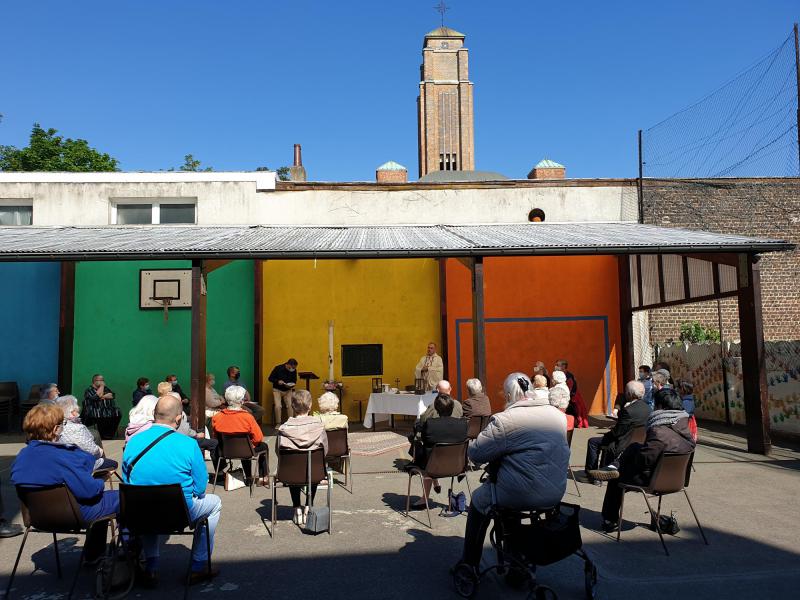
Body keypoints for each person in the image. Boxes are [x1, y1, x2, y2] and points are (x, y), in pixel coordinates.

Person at [456, 373, 569, 571]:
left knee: (479, 500)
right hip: (555, 490)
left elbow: (476, 453)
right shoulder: (557, 416)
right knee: (509, 493)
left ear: (508, 395)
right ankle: (515, 558)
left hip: (521, 492)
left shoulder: (505, 420)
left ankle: (469, 562)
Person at [122, 395, 221, 586]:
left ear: (154, 414)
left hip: (140, 512)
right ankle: (199, 565)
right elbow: (200, 488)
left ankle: (151, 567)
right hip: (179, 514)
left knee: (146, 502)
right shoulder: (188, 444)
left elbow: (128, 481)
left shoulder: (133, 442)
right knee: (215, 503)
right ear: (178, 418)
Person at [12, 404, 119, 562]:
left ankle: (95, 554)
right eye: (62, 424)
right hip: (74, 515)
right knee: (125, 497)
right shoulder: (65, 456)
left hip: (37, 518)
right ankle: (130, 555)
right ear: (55, 429)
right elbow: (89, 491)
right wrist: (101, 480)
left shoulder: (21, 456)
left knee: (99, 501)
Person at [589, 388, 695, 532]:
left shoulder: (659, 431)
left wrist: (628, 462)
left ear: (661, 407)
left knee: (616, 480)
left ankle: (610, 520)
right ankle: (614, 466)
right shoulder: (686, 429)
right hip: (677, 480)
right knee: (635, 446)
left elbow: (643, 461)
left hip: (653, 479)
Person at [583, 380, 650, 485]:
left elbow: (617, 432)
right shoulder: (648, 408)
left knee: (593, 442)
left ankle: (591, 475)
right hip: (638, 440)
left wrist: (607, 434)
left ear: (630, 394)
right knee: (603, 441)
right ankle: (602, 470)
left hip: (622, 441)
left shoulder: (628, 410)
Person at [277, 390, 328, 525]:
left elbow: (279, 453)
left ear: (292, 406)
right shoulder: (319, 426)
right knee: (313, 466)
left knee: (292, 467)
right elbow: (325, 451)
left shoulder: (284, 428)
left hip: (289, 473)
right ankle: (308, 507)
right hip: (315, 473)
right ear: (310, 405)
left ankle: (296, 508)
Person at [409, 393, 468, 509]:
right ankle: (435, 483)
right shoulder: (463, 424)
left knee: (426, 454)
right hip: (458, 467)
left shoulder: (430, 425)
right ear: (452, 408)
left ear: (436, 408)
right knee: (433, 454)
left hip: (433, 468)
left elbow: (424, 441)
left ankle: (424, 498)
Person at [211, 386, 268, 486]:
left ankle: (220, 473)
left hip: (225, 451)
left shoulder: (217, 417)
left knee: (240, 446)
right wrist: (251, 445)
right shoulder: (247, 417)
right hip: (246, 450)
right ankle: (263, 477)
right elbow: (258, 438)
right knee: (263, 446)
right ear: (241, 401)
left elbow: (215, 437)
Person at [55, 395, 117, 471]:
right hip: (80, 464)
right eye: (77, 408)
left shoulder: (55, 426)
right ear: (73, 412)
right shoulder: (77, 428)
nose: (79, 409)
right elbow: (92, 451)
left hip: (63, 463)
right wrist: (99, 450)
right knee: (114, 464)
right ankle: (95, 481)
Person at [82, 374, 120, 439]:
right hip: (93, 410)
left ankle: (110, 434)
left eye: (103, 380)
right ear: (95, 381)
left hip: (106, 409)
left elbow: (112, 395)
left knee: (117, 412)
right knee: (101, 413)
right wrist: (102, 387)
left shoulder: (106, 389)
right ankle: (103, 435)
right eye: (101, 380)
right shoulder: (89, 390)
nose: (103, 382)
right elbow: (95, 398)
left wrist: (102, 396)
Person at [554, 359, 589, 428]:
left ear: (563, 366)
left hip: (572, 396)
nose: (556, 366)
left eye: (558, 365)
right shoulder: (560, 374)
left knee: (576, 411)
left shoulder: (569, 376)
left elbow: (569, 388)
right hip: (566, 395)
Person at [269, 358, 298, 425]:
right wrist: (278, 381)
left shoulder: (294, 370)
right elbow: (270, 378)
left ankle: (291, 423)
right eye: (292, 367)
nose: (293, 369)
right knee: (278, 406)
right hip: (277, 389)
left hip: (288, 390)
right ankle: (278, 423)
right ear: (288, 365)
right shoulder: (278, 368)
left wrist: (291, 385)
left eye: (294, 368)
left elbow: (294, 380)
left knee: (290, 405)